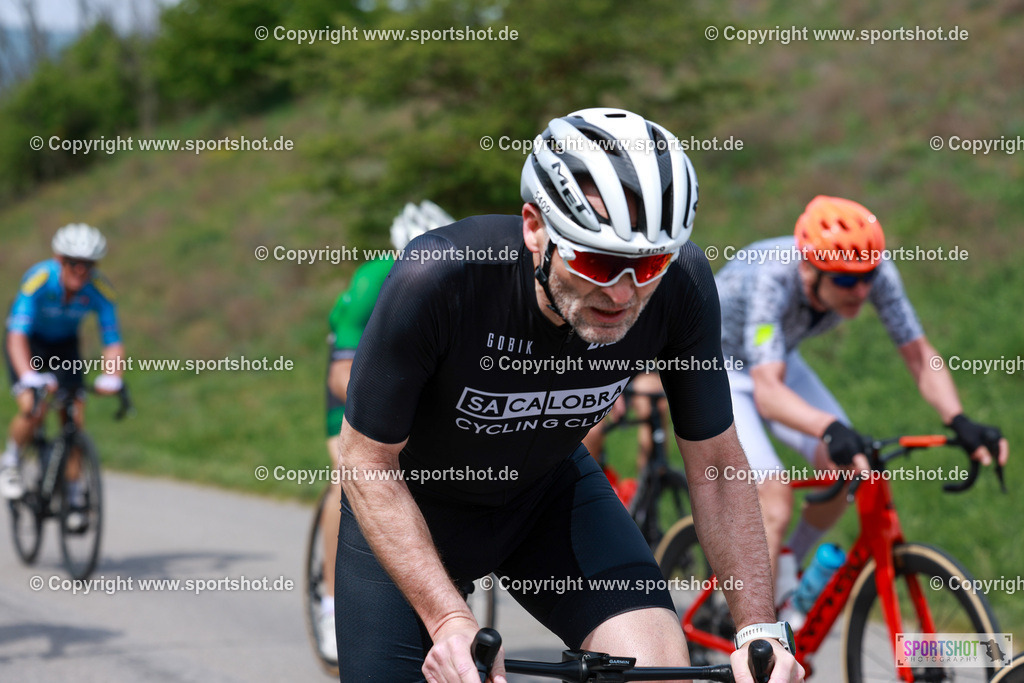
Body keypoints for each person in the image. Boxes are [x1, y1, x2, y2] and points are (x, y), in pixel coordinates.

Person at [335, 108, 803, 682]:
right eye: (599, 260)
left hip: (546, 500)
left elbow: (716, 466)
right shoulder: (439, 277)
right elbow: (366, 460)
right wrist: (447, 617)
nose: (623, 293)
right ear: (536, 228)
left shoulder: (681, 286)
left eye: (648, 264)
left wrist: (759, 632)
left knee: (657, 667)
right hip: (415, 507)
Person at [715, 195, 1009, 624]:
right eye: (846, 281)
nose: (862, 290)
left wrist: (958, 419)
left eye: (867, 277)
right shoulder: (771, 276)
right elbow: (768, 394)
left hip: (777, 359)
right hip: (715, 364)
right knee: (773, 494)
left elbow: (917, 353)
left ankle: (784, 574)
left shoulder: (874, 272)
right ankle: (752, 632)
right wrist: (829, 426)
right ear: (809, 268)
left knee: (848, 465)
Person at [318, 201, 455, 663]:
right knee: (348, 480)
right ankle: (331, 600)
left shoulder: (460, 279)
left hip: (416, 386)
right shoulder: (371, 281)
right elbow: (343, 377)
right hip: (354, 386)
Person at [2, 224, 126, 529]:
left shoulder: (100, 290)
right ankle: (12, 460)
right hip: (28, 342)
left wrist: (112, 375)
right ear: (59, 259)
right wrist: (29, 375)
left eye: (88, 265)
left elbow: (113, 340)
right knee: (34, 406)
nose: (81, 271)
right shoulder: (39, 280)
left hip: (65, 347)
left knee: (74, 419)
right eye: (73, 262)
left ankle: (72, 496)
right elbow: (17, 335)